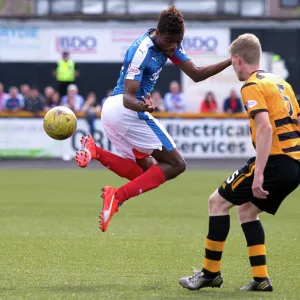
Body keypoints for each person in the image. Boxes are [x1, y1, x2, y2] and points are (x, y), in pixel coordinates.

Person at [75, 6, 231, 232]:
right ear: (158, 33)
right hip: (124, 109)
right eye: (170, 41)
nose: (173, 47)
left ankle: (96, 151)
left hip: (114, 112)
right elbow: (129, 98)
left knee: (145, 175)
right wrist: (144, 106)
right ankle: (116, 197)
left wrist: (230, 62)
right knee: (177, 164)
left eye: (177, 42)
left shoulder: (169, 44)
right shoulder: (141, 51)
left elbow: (196, 74)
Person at [179, 33, 300, 292]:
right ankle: (260, 279)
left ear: (236, 59)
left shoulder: (251, 86)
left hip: (275, 162)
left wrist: (259, 174)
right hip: (294, 164)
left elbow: (265, 129)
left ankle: (210, 273)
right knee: (246, 211)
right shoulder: (281, 83)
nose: (233, 68)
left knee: (216, 202)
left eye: (232, 63)